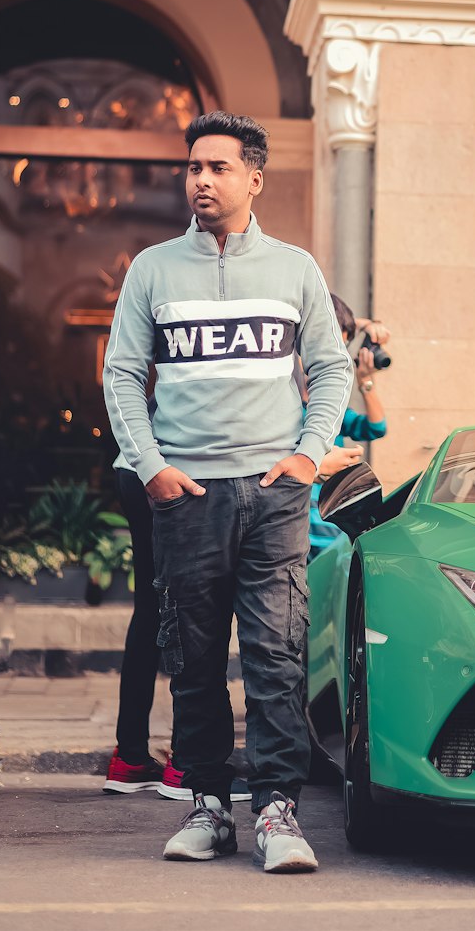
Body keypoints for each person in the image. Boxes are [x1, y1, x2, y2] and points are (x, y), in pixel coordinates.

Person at [103, 111, 352, 872]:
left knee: (277, 656)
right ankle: (209, 809)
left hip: (273, 492)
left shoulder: (294, 268)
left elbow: (332, 368)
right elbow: (121, 373)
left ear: (254, 179)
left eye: (217, 167)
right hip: (187, 495)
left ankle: (277, 812)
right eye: (193, 168)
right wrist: (150, 466)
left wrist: (310, 454)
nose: (201, 180)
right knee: (195, 658)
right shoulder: (152, 268)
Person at [101, 463, 248, 802]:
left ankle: (131, 758)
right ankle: (185, 766)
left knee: (152, 610)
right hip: (177, 469)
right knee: (191, 607)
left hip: (137, 468)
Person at [308, 294, 389, 555]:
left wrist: (365, 380)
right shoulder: (279, 407)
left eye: (342, 349)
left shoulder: (330, 406)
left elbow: (376, 428)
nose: (337, 357)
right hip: (296, 532)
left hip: (331, 528)